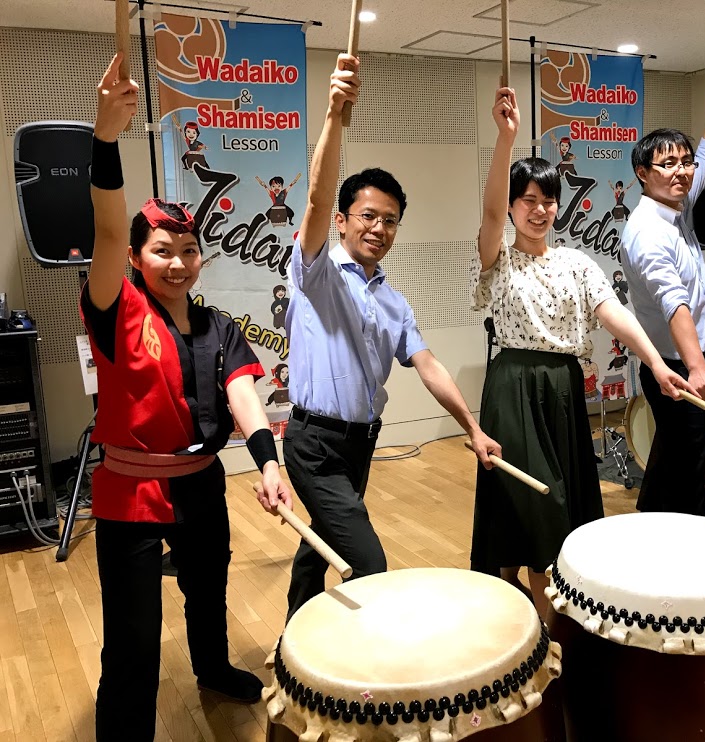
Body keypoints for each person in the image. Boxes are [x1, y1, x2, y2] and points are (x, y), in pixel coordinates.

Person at [83, 54, 292, 742]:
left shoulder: (217, 325)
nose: (177, 262)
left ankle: (212, 667)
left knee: (208, 591)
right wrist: (105, 139)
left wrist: (268, 464)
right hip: (131, 495)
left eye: (188, 250)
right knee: (134, 637)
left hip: (201, 485)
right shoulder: (116, 310)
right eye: (162, 250)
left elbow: (243, 395)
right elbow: (107, 229)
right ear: (136, 257)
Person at [284, 53, 501, 620]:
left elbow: (427, 364)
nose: (379, 228)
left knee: (320, 541)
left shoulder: (393, 300)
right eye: (367, 216)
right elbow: (316, 198)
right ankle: (361, 660)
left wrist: (473, 428)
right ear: (342, 220)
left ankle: (292, 640)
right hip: (312, 442)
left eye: (390, 220)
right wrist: (334, 114)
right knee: (368, 561)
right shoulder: (316, 273)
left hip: (361, 440)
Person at [472, 86, 695, 617]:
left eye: (548, 201)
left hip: (563, 386)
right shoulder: (498, 258)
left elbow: (615, 314)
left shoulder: (576, 263)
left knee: (563, 497)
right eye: (528, 200)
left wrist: (657, 363)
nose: (540, 210)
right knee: (532, 498)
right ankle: (534, 616)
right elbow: (489, 212)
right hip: (514, 385)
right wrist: (505, 138)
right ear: (513, 206)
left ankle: (527, 602)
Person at [620, 49, 705, 517]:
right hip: (675, 366)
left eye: (684, 162)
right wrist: (698, 369)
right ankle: (692, 537)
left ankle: (649, 519)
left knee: (673, 452)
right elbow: (674, 304)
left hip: (693, 358)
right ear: (643, 174)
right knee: (688, 463)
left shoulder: (678, 204)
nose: (682, 171)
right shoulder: (648, 232)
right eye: (668, 164)